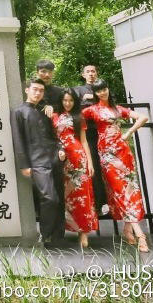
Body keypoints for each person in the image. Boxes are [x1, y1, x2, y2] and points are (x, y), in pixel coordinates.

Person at [82, 79, 150, 252]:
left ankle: (128, 230)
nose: (102, 93)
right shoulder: (92, 110)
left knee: (130, 189)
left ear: (107, 89)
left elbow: (143, 117)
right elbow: (74, 118)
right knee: (119, 190)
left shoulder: (119, 109)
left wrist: (129, 132)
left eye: (104, 89)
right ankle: (140, 234)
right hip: (107, 154)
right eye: (98, 91)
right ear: (96, 94)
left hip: (123, 152)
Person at [11, 78, 65, 246]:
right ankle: (46, 235)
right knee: (49, 198)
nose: (37, 93)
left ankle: (58, 237)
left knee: (60, 198)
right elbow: (17, 139)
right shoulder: (19, 112)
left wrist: (60, 148)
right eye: (34, 89)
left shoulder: (45, 110)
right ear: (27, 90)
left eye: (41, 90)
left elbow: (56, 133)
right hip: (36, 161)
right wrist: (24, 164)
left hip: (54, 157)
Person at [51, 89, 98, 248]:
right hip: (62, 159)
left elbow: (84, 141)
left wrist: (90, 163)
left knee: (82, 196)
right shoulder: (54, 117)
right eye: (65, 100)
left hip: (78, 159)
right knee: (66, 196)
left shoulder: (79, 117)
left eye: (71, 101)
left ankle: (83, 233)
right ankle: (64, 229)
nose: (67, 103)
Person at [73, 65, 108, 213]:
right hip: (89, 134)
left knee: (108, 167)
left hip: (106, 132)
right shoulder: (79, 90)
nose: (91, 74)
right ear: (83, 75)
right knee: (92, 166)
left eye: (93, 71)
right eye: (88, 72)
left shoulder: (103, 89)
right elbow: (72, 108)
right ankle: (96, 203)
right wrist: (83, 99)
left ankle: (110, 202)